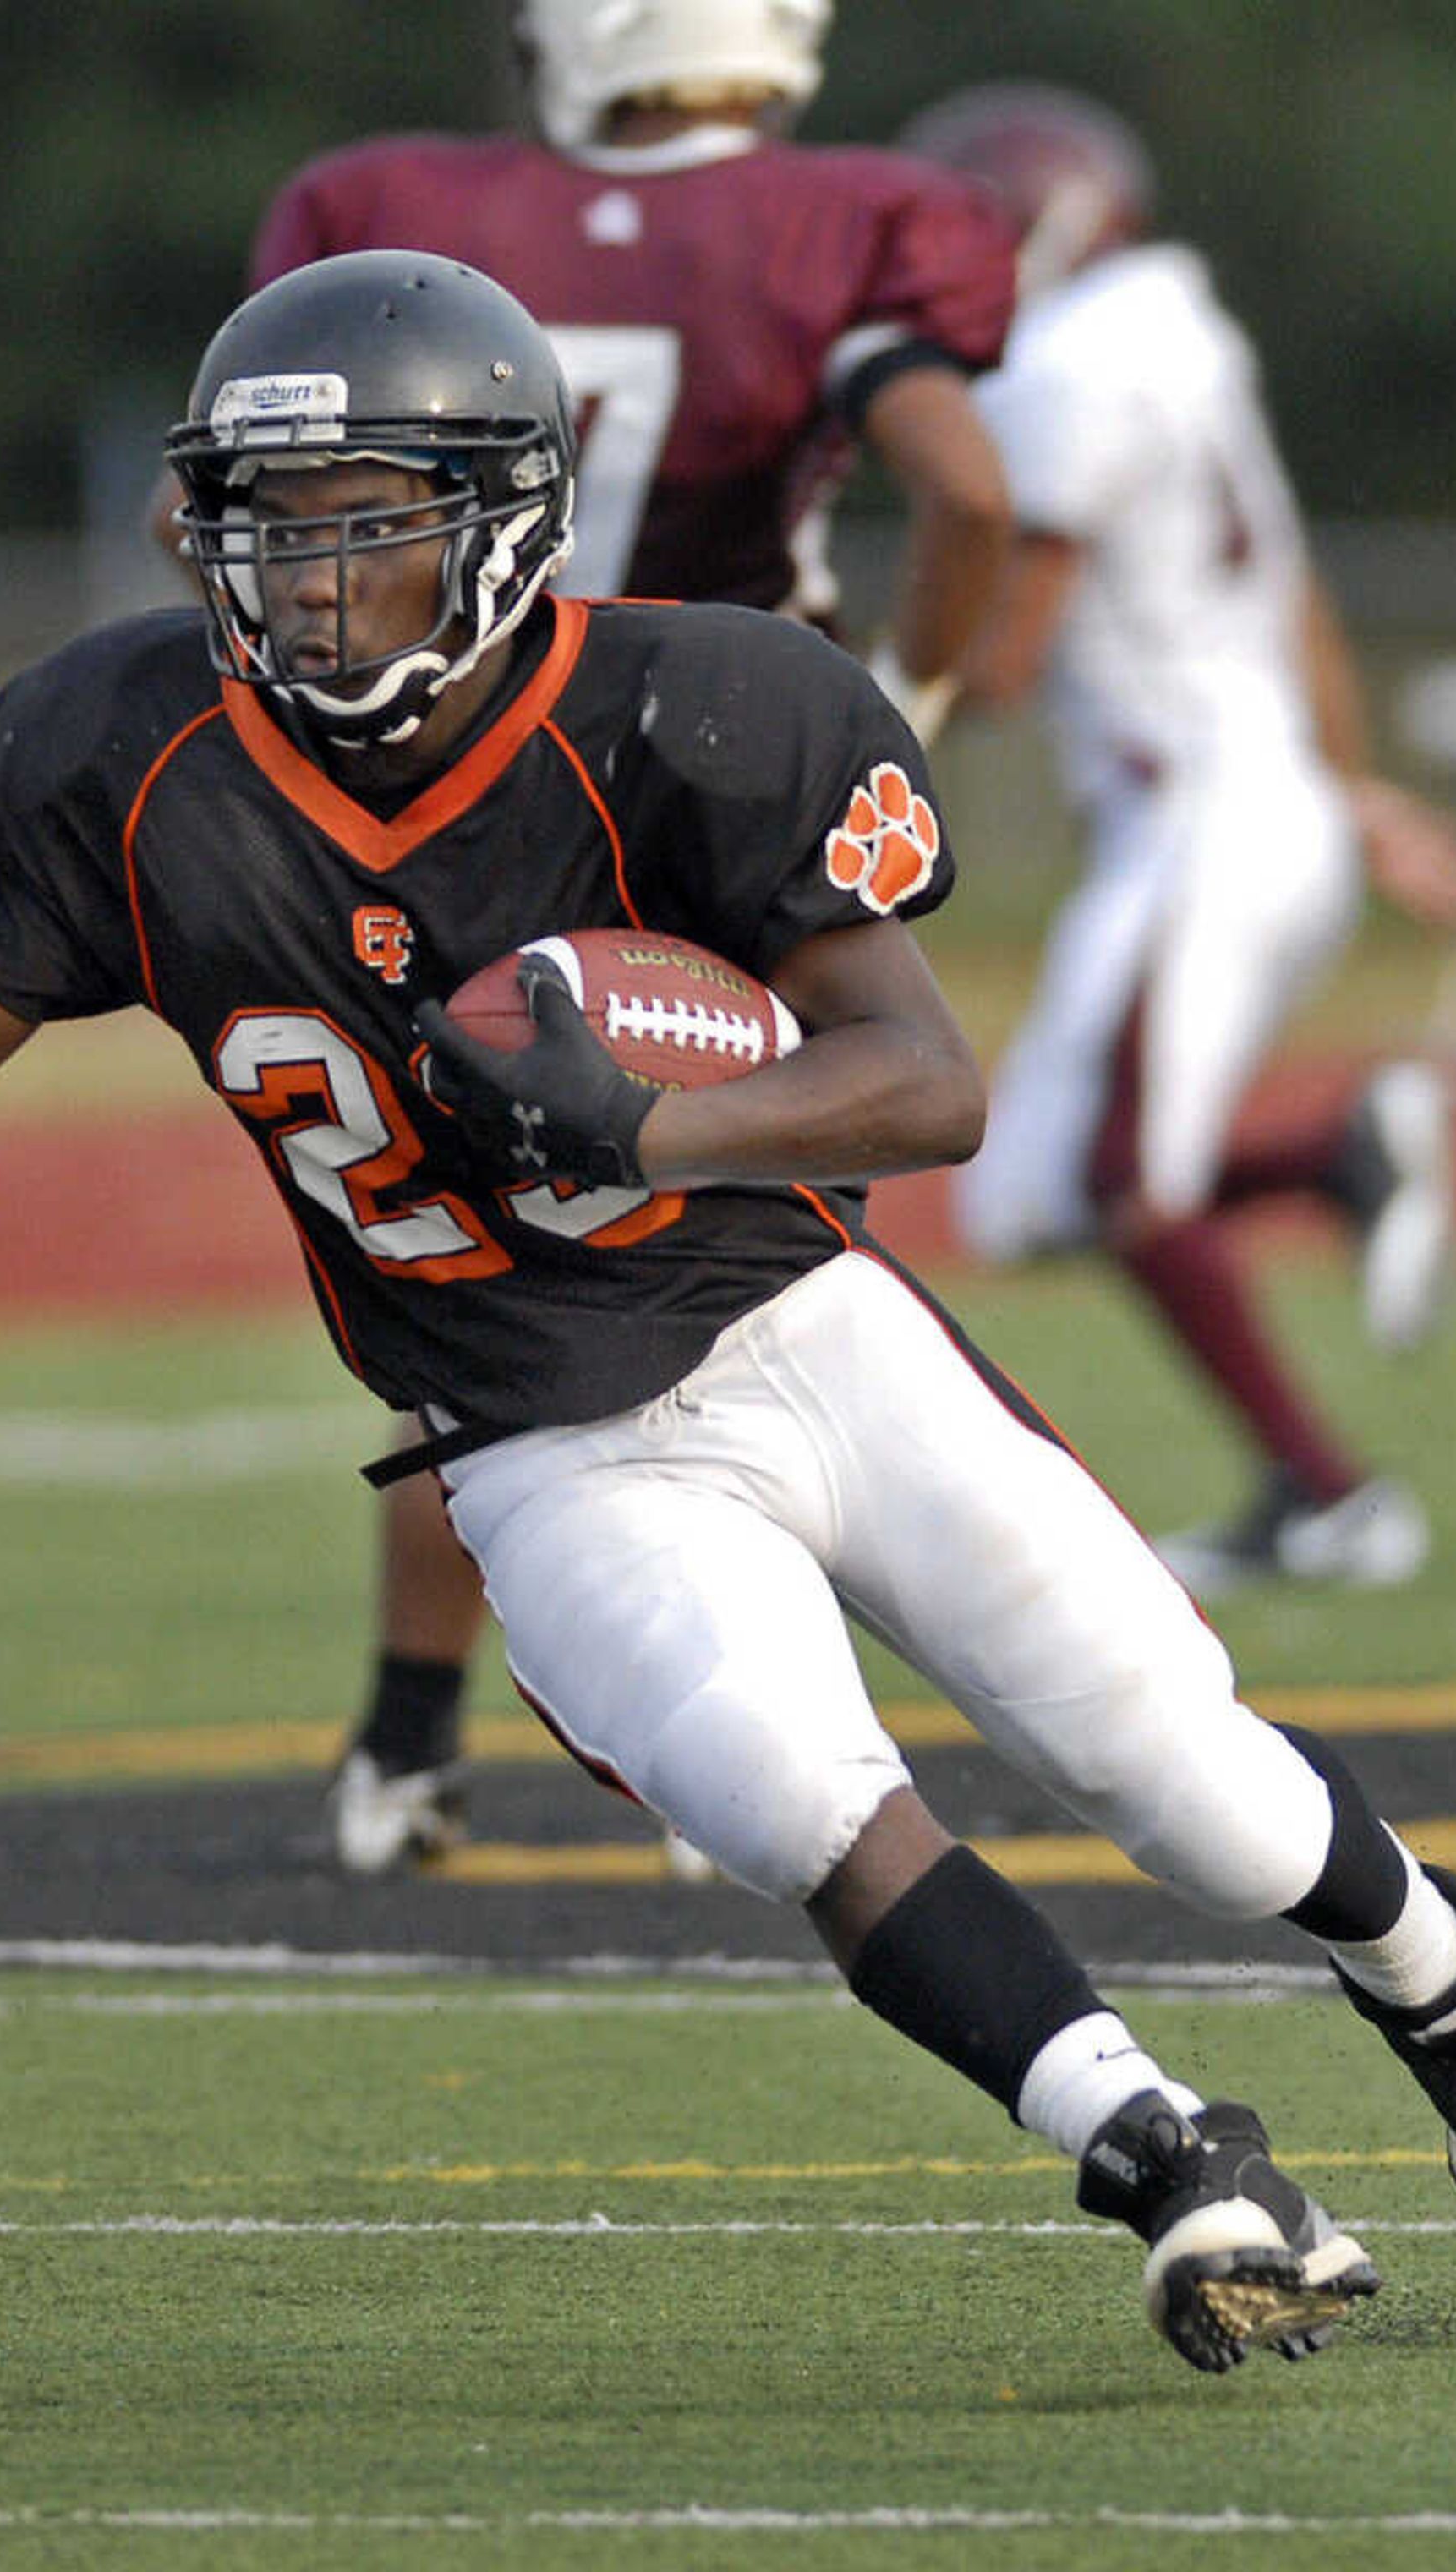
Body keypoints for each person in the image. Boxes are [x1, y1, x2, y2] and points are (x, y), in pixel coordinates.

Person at [0, 251, 1456, 2372]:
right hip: (532, 1430)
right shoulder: (124, 751)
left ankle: (1446, 1981)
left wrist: (648, 1118)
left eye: (362, 523)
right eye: (267, 528)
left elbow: (927, 1083)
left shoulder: (699, 702)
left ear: (502, 520)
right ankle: (1174, 2158)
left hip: (800, 1321)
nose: (306, 581)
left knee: (1182, 1780)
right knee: (800, 1801)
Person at [211, 0, 1023, 1870]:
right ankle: (750, 1724)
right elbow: (970, 490)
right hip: (706, 784)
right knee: (744, 1254)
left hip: (439, 766)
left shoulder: (388, 197)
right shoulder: (857, 214)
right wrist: (900, 702)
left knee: (463, 1254)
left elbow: (249, 503)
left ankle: (408, 1737)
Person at [899, 84, 1456, 1599]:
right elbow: (1294, 599)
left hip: (1201, 820)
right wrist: (1357, 796)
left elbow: (1011, 650)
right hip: (1247, 802)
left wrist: (839, 722)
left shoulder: (1077, 370)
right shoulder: (1181, 341)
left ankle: (1331, 1495)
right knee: (1026, 1195)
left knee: (1115, 1183)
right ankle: (1336, 1159)